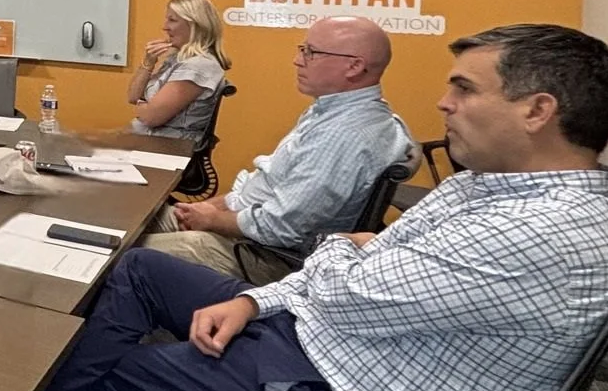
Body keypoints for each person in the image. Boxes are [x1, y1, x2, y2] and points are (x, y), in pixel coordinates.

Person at [0, 24, 608, 391]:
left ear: (537, 111)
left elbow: (341, 277)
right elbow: (352, 265)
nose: (444, 103)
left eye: (465, 88)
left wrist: (348, 252)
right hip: (338, 347)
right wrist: (261, 300)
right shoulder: (491, 188)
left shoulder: (539, 231)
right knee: (141, 272)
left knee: (125, 380)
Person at [141, 16, 412, 277]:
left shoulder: (343, 134)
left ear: (354, 66)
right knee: (128, 222)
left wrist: (212, 220)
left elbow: (282, 227)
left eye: (311, 52)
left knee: (114, 255)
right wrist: (213, 209)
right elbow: (270, 187)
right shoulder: (351, 113)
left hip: (264, 255)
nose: (297, 60)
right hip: (243, 225)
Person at [126, 0, 229, 139]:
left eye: (172, 20)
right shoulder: (177, 58)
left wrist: (144, 107)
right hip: (146, 140)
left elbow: (151, 117)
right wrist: (148, 62)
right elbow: (133, 96)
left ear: (195, 25)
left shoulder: (198, 66)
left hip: (168, 147)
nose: (165, 27)